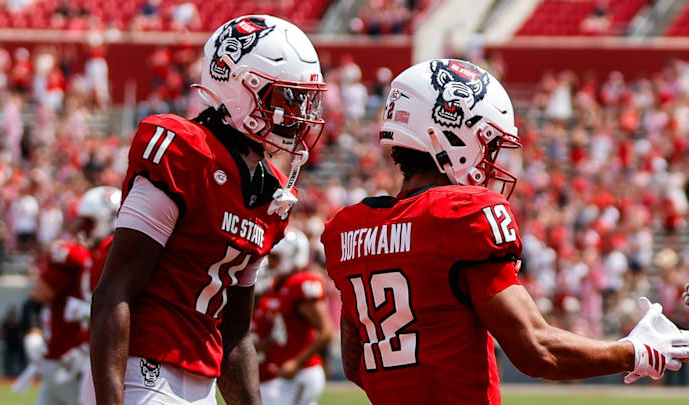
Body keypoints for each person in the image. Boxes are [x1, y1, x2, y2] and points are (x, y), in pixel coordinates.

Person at [320, 59, 689, 405]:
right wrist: (635, 351)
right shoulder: (460, 215)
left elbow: (357, 365)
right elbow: (537, 350)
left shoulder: (348, 228)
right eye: (487, 143)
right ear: (449, 133)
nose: (491, 159)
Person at [90, 15, 325, 405]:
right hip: (146, 371)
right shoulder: (184, 151)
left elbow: (235, 334)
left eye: (300, 100)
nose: (295, 115)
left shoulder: (272, 193)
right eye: (284, 98)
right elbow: (114, 292)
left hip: (203, 383)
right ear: (237, 86)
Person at [19, 186, 120, 405]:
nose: (82, 230)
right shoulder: (75, 257)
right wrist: (33, 334)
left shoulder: (119, 257)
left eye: (88, 223)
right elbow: (32, 304)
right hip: (68, 361)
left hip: (89, 361)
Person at [252, 229, 334, 405]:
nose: (271, 262)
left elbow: (326, 332)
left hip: (302, 371)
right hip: (285, 372)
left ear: (293, 255)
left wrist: (296, 363)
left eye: (275, 257)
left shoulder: (300, 284)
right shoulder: (276, 286)